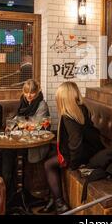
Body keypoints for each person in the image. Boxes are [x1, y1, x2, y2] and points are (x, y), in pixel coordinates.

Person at [38, 82, 104, 214]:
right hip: (91, 149)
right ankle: (52, 200)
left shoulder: (68, 116)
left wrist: (74, 164)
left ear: (63, 98)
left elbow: (75, 143)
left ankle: (59, 203)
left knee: (48, 165)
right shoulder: (81, 108)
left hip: (83, 154)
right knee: (49, 154)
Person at [2, 79, 51, 207]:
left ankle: (26, 193)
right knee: (7, 154)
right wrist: (11, 125)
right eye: (26, 92)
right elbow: (18, 118)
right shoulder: (23, 101)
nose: (29, 95)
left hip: (37, 141)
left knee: (21, 157)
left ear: (38, 91)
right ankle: (13, 193)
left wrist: (21, 124)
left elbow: (38, 125)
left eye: (32, 93)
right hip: (24, 140)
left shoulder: (42, 105)